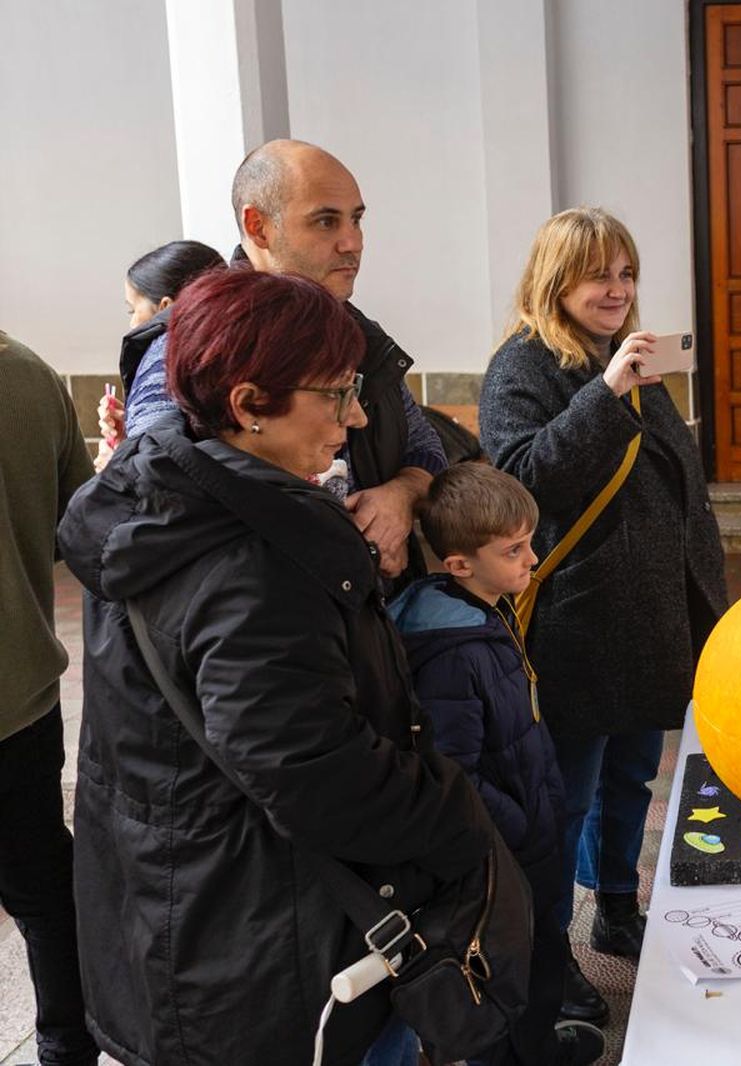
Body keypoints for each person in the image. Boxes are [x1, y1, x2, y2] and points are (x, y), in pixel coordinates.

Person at [57, 268, 496, 1066]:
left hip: (188, 916)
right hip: (267, 948)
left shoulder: (153, 503)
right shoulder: (254, 562)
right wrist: (458, 816)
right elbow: (313, 773)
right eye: (336, 394)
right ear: (249, 403)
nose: (357, 417)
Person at [478, 207, 727, 1024]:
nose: (617, 290)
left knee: (631, 775)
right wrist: (607, 391)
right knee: (563, 799)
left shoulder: (623, 354)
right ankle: (548, 956)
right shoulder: (522, 366)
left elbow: (675, 482)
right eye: (598, 276)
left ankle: (616, 905)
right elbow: (521, 481)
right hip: (580, 624)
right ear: (556, 281)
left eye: (626, 273)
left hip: (648, 615)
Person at [107, 139, 447, 583]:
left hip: (367, 611)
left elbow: (426, 448)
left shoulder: (356, 332)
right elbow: (156, 488)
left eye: (357, 219)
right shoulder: (193, 341)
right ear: (259, 227)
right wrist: (331, 543)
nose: (353, 242)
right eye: (325, 221)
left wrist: (400, 496)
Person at [388, 462, 605, 1066]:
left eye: (529, 542)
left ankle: (539, 1048)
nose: (531, 559)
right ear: (460, 564)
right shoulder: (450, 655)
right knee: (508, 970)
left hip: (527, 829)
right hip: (504, 847)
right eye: (513, 550)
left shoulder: (485, 609)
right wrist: (520, 824)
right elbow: (454, 771)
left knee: (539, 956)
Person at [0, 331, 97, 1066]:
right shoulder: (31, 375)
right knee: (39, 885)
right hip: (19, 689)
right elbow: (76, 530)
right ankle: (68, 1046)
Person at [95, 239, 226, 469]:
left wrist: (117, 465)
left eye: (133, 310)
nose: (132, 323)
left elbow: (152, 475)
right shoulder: (231, 353)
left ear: (165, 307)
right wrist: (132, 434)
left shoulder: (166, 357)